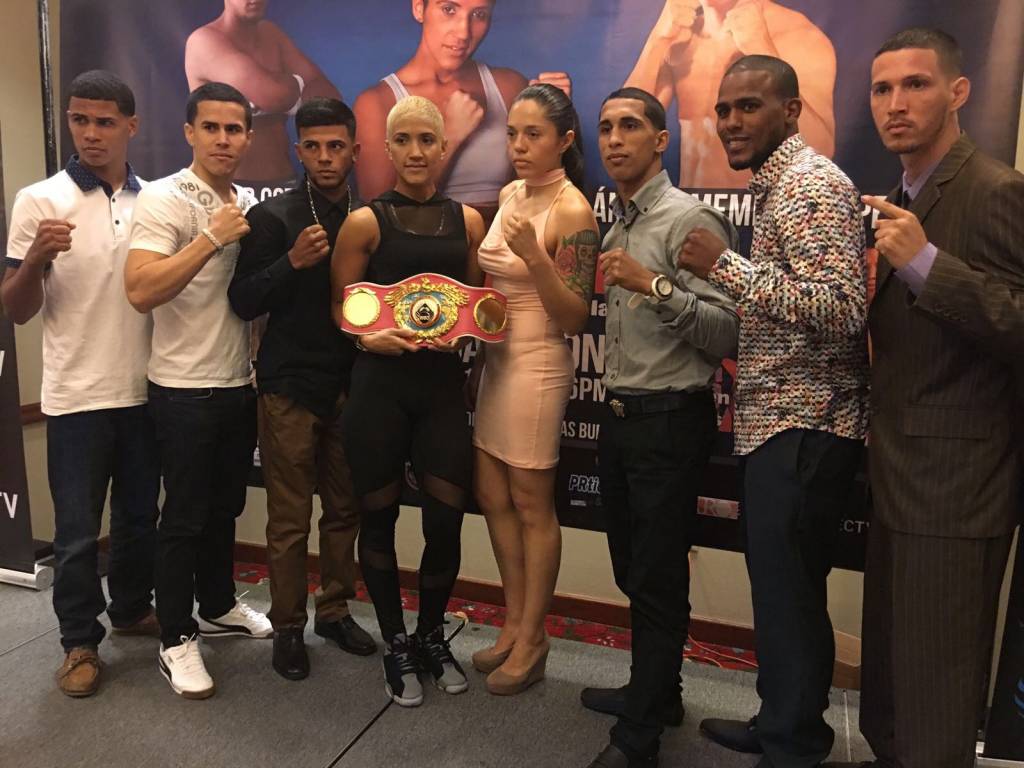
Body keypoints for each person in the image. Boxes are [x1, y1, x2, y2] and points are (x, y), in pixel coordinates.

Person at [677, 55, 868, 768]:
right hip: (784, 423)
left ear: (790, 111)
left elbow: (842, 309)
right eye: (724, 109)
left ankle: (791, 745)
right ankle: (786, 723)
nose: (731, 121)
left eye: (749, 106)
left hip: (806, 423)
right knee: (786, 594)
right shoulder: (781, 184)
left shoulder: (810, 185)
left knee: (788, 594)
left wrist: (724, 267)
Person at [856, 28, 1024, 768]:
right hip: (899, 472)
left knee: (935, 696)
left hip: (958, 488)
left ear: (958, 92)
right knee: (894, 688)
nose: (895, 104)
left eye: (915, 84)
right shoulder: (901, 196)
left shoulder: (995, 190)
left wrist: (926, 263)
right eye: (882, 89)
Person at [581, 87, 739, 768]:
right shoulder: (617, 223)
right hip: (621, 418)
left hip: (671, 420)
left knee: (656, 576)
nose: (615, 139)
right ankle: (661, 693)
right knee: (632, 567)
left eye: (629, 126)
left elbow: (728, 331)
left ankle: (639, 736)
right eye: (606, 128)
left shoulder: (688, 220)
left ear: (661, 139)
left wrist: (655, 285)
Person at [0, 71, 160, 698]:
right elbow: (16, 310)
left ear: (131, 126)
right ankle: (78, 643)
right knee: (74, 534)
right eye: (79, 120)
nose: (91, 134)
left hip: (147, 390)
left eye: (105, 122)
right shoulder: (39, 200)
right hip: (75, 396)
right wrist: (37, 257)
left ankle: (131, 609)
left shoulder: (155, 201)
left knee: (140, 518)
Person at [331, 95, 487, 707]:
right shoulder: (365, 223)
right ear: (387, 148)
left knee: (445, 522)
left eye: (427, 139)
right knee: (379, 520)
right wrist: (366, 337)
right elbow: (341, 307)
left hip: (441, 390)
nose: (416, 151)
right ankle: (395, 641)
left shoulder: (467, 222)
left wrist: (468, 338)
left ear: (444, 147)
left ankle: (430, 637)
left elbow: (474, 308)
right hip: (379, 389)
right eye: (404, 139)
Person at [125, 82, 272, 700]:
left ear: (248, 137)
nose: (222, 139)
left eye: (234, 129)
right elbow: (141, 289)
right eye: (210, 127)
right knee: (183, 518)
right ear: (189, 132)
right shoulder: (163, 197)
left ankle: (215, 606)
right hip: (183, 388)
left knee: (224, 508)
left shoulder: (246, 203)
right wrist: (210, 238)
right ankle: (176, 637)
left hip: (237, 383)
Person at [228, 98, 375, 682]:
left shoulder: (371, 217)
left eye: (336, 146)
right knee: (289, 518)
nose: (324, 157)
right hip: (289, 385)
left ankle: (333, 611)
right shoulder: (275, 217)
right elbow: (243, 301)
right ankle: (288, 625)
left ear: (355, 150)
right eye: (312, 146)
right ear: (298, 151)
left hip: (354, 384)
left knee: (344, 510)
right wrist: (290, 262)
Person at [468, 83, 599, 696]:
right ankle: (515, 624)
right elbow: (493, 287)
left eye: (534, 135)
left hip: (538, 365)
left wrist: (537, 257)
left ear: (564, 141)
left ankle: (535, 638)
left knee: (530, 503)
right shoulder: (510, 194)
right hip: (495, 362)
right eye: (512, 134)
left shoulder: (572, 210)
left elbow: (573, 317)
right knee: (492, 493)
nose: (519, 146)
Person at [353, 0, 572, 223]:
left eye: (479, 14)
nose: (463, 32)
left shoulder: (509, 86)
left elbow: (536, 195)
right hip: (429, 243)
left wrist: (554, 118)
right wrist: (449, 136)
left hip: (505, 239)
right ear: (419, 8)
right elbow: (380, 221)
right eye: (449, 9)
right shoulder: (377, 103)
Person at [625, 0, 835, 189]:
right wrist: (657, 41)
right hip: (693, 210)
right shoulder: (678, 37)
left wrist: (761, 46)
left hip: (762, 207)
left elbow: (821, 149)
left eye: (749, 107)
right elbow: (624, 132)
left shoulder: (797, 32)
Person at [185, 0, 341, 193]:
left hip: (284, 186)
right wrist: (298, 84)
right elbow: (273, 97)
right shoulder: (204, 41)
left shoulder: (272, 34)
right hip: (228, 189)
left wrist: (281, 90)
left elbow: (330, 99)